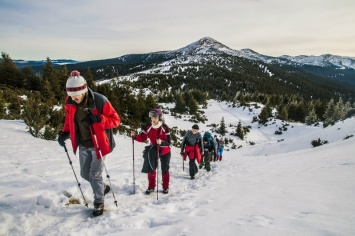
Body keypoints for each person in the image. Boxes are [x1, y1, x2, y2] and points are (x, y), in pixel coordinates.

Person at [57, 70, 120, 217]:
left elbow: (116, 120)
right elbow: (69, 121)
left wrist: (99, 119)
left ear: (83, 90)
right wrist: (65, 133)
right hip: (83, 144)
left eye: (76, 94)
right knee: (85, 173)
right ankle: (102, 187)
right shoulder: (70, 103)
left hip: (99, 144)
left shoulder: (99, 100)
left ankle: (99, 202)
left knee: (94, 174)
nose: (74, 98)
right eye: (71, 95)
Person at [131, 108, 171, 194]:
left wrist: (162, 142)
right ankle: (151, 186)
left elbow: (169, 142)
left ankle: (165, 187)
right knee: (151, 167)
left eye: (155, 117)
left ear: (159, 117)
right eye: (151, 117)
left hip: (165, 150)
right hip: (153, 149)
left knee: (165, 168)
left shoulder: (164, 127)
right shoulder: (148, 127)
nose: (153, 119)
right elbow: (143, 137)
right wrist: (135, 136)